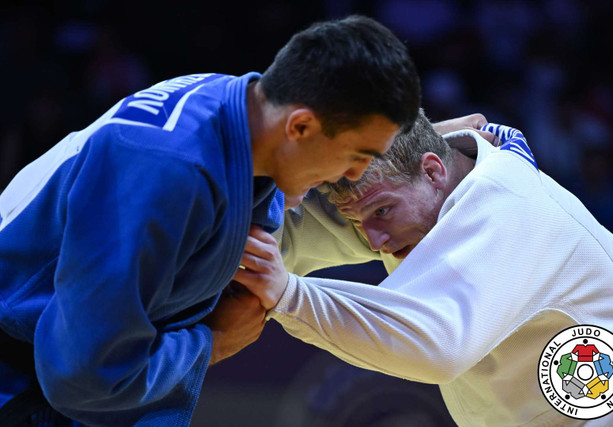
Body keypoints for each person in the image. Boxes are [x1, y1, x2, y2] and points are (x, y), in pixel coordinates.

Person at [0, 15, 421, 426]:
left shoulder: (237, 104)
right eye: (357, 156)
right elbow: (83, 377)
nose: (352, 174)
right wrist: (212, 344)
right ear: (302, 126)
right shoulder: (165, 173)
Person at [234, 110, 613, 426]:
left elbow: (438, 348)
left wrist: (289, 296)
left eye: (382, 212)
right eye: (361, 222)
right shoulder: (420, 186)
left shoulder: (508, 208)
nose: (375, 241)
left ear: (433, 170)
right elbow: (309, 227)